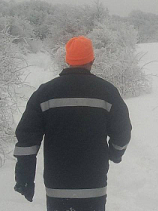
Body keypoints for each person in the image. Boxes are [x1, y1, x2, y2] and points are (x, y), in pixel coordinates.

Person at [13, 36, 132, 211]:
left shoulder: (45, 93)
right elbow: (122, 133)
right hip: (93, 184)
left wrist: (24, 177)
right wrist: (115, 153)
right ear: (92, 59)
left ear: (68, 60)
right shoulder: (107, 92)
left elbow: (26, 139)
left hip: (57, 187)